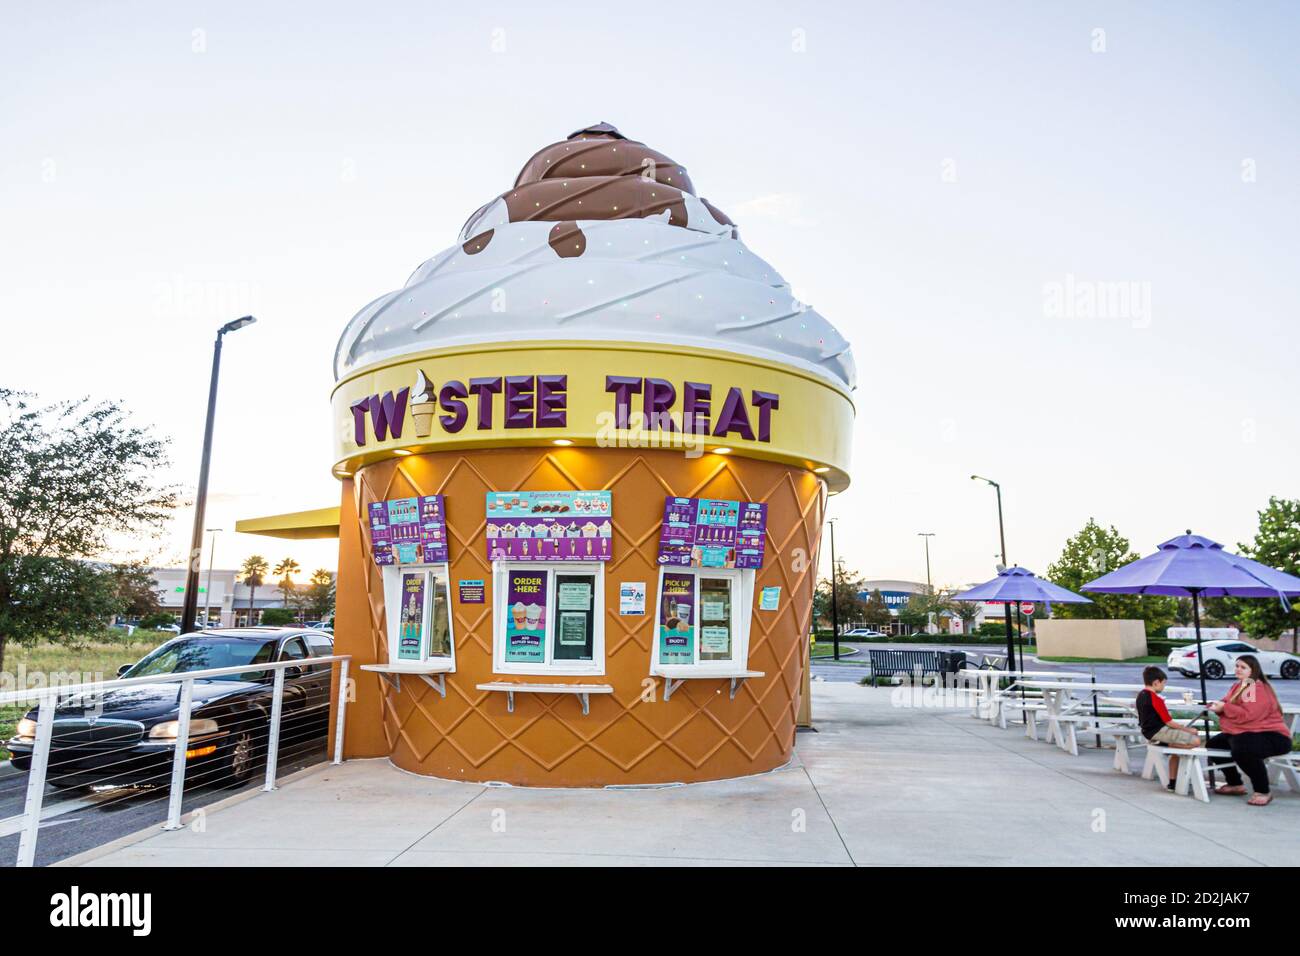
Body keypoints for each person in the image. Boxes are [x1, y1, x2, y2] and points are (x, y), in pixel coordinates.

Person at [1207, 655, 1293, 806]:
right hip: (1247, 731)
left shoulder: (1255, 687)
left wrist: (1224, 707)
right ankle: (1235, 784)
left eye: (1243, 667)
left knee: (1244, 750)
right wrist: (1217, 706)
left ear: (1253, 671)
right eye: (1237, 666)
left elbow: (1249, 715)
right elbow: (1228, 703)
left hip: (1273, 736)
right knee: (1215, 744)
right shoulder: (1240, 685)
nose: (1238, 669)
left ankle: (1263, 791)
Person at [1135, 666, 1200, 788]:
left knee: (1177, 752)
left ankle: (1173, 782)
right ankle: (1165, 744)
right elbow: (1169, 722)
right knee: (1196, 741)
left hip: (1148, 732)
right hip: (1159, 732)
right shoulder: (1156, 699)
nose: (1164, 687)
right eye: (1163, 683)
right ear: (1156, 682)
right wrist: (1188, 729)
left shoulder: (1141, 695)